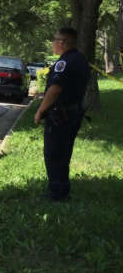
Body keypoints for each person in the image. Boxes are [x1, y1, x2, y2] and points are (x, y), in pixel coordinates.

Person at [34, 27, 90, 201]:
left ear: (62, 42)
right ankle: (62, 190)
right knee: (64, 153)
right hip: (73, 112)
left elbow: (55, 89)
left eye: (54, 39)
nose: (52, 43)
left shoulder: (64, 62)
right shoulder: (80, 58)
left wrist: (40, 111)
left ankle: (56, 194)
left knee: (53, 154)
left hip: (61, 115)